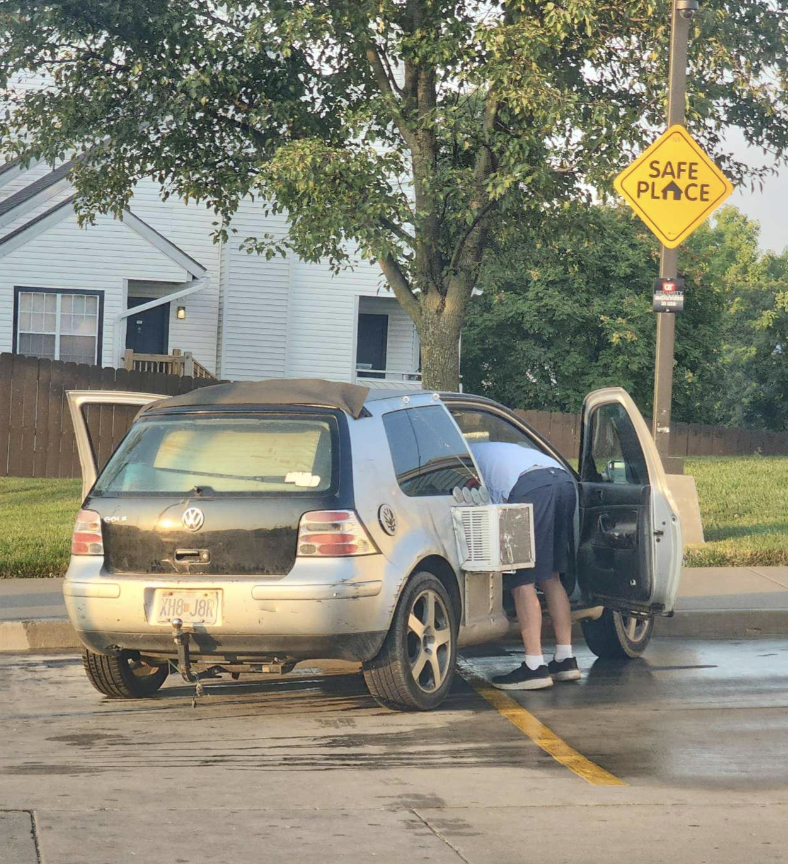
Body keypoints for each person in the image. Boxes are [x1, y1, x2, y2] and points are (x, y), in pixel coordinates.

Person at [470, 441, 581, 690]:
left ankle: (534, 667)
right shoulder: (494, 449)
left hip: (529, 487)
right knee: (550, 576)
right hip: (562, 481)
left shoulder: (465, 458)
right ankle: (565, 659)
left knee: (522, 577)